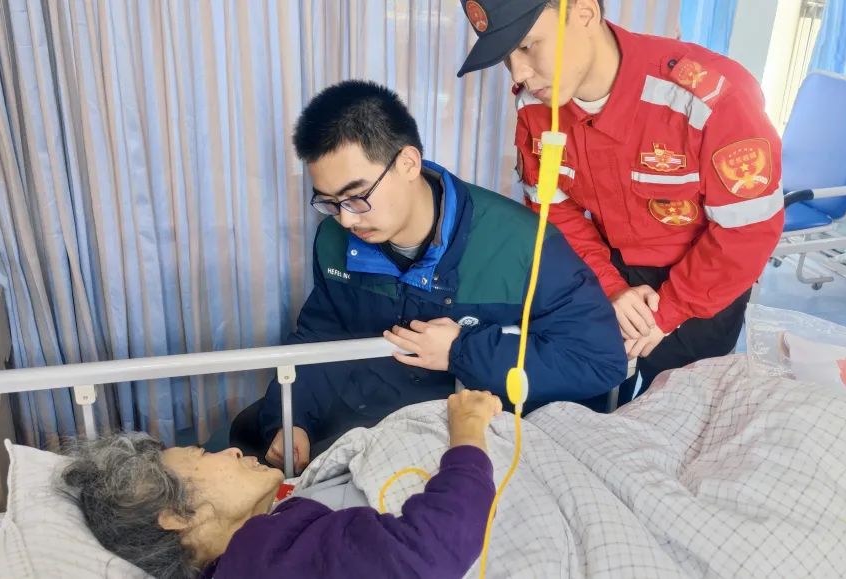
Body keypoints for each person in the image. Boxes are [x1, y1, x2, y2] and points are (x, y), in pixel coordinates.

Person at [233, 80, 626, 471]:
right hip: (371, 423)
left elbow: (598, 361)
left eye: (357, 197)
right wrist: (293, 419)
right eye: (330, 202)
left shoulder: (524, 245)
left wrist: (462, 351)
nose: (347, 219)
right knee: (250, 431)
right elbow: (323, 336)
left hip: (472, 433)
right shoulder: (335, 240)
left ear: (408, 163)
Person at [457, 0, 785, 393]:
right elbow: (553, 207)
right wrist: (610, 285)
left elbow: (746, 233)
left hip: (704, 281)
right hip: (603, 264)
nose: (520, 74)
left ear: (584, 13)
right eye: (506, 57)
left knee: (680, 401)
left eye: (527, 46)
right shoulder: (537, 102)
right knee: (584, 390)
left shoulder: (711, 98)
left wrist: (669, 311)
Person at [63, 390, 503, 579]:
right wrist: (467, 430)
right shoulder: (270, 557)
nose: (230, 451)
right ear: (178, 515)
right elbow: (432, 548)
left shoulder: (254, 555)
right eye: (201, 455)